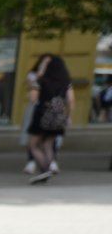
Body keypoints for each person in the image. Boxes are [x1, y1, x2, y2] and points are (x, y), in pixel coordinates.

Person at [26, 53, 74, 183]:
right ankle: (49, 167)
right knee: (48, 144)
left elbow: (33, 99)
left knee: (33, 145)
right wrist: (69, 117)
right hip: (58, 115)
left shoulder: (41, 80)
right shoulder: (66, 82)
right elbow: (71, 100)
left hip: (42, 113)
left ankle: (44, 171)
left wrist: (41, 70)